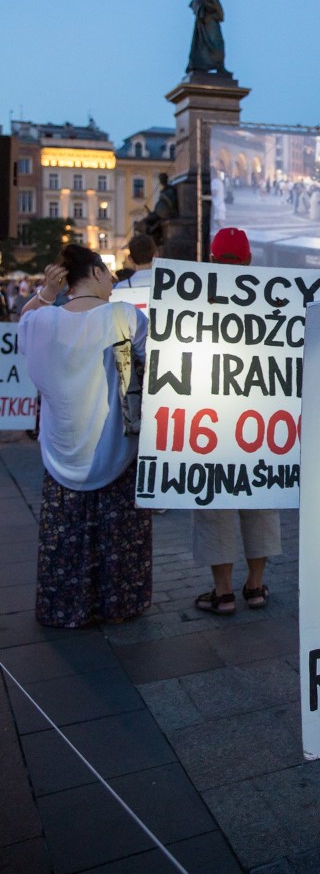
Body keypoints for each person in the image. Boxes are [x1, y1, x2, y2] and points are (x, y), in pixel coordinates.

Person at [18, 245, 151, 628]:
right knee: (118, 534)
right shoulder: (123, 316)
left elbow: (24, 324)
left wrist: (45, 293)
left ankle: (67, 606)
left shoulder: (42, 322)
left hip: (62, 449)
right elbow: (156, 360)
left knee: (67, 537)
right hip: (115, 447)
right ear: (94, 272)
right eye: (108, 274)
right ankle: (118, 603)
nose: (112, 282)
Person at [193, 227, 282, 614]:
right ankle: (256, 586)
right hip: (261, 418)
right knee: (260, 498)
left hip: (209, 418)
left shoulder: (193, 300)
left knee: (215, 502)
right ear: (248, 261)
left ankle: (224, 591)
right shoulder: (273, 301)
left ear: (212, 260)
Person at [187, 0, 229, 76]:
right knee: (218, 42)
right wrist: (220, 14)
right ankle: (219, 66)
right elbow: (215, 1)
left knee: (204, 43)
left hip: (203, 19)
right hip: (210, 18)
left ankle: (204, 65)